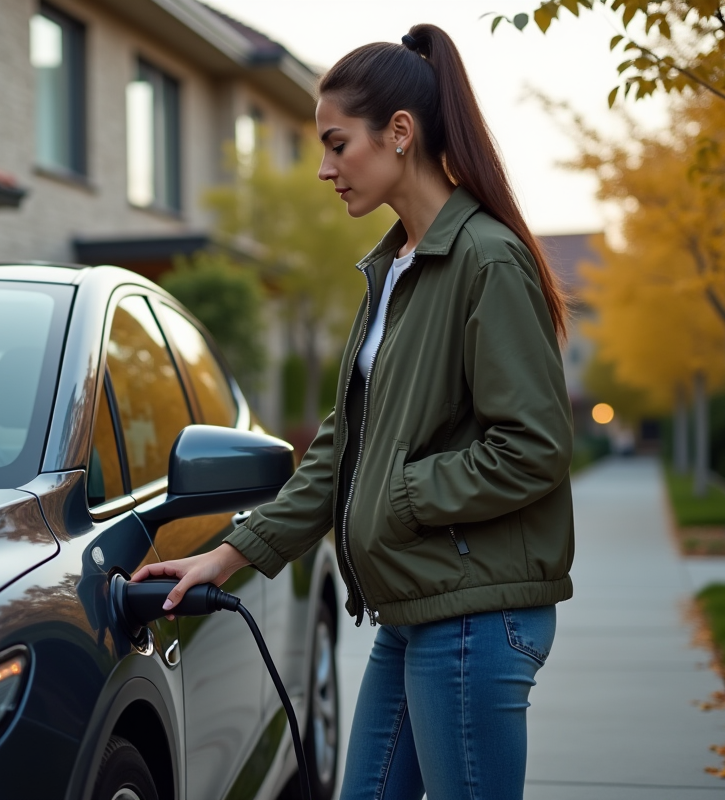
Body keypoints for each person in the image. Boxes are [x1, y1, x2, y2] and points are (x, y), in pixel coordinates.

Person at [132, 23, 574, 800]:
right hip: (416, 607)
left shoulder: (485, 260)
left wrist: (393, 498)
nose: (324, 168)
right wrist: (231, 554)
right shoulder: (396, 268)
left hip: (473, 618)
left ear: (399, 133)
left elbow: (531, 448)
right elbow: (342, 449)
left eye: (338, 144)